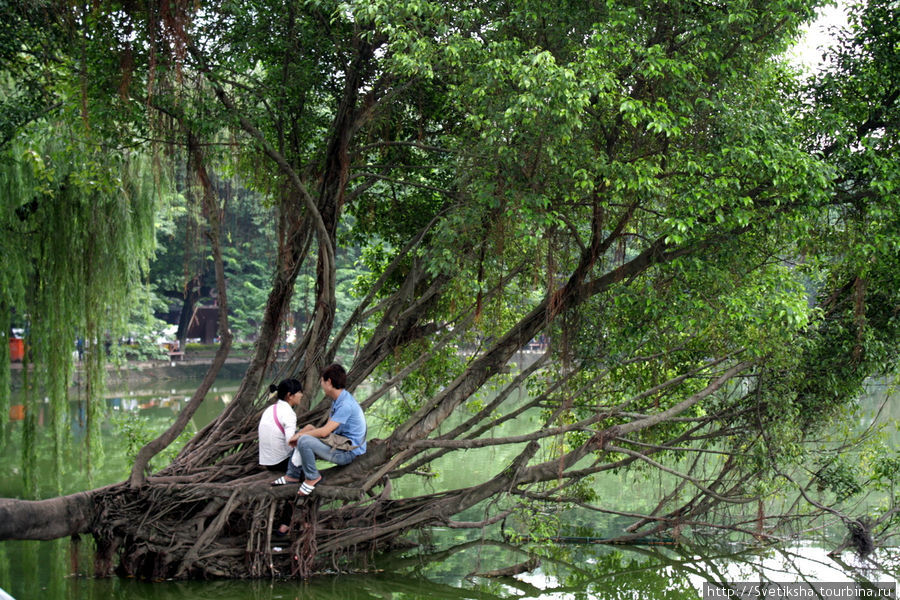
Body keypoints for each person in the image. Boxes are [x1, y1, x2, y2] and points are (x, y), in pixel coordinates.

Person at [271, 363, 367, 496]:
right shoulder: (338, 399)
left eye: (322, 380)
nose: (320, 383)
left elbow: (324, 432)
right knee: (307, 429)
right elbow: (327, 429)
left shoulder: (345, 404)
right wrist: (303, 433)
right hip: (339, 443)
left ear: (329, 382)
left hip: (349, 452)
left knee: (304, 440)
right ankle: (292, 476)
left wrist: (300, 436)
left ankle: (312, 477)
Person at [258, 378, 303, 472]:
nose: (301, 395)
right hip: (281, 463)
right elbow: (291, 442)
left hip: (268, 463)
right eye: (299, 392)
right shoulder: (289, 413)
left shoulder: (270, 408)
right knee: (309, 440)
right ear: (290, 395)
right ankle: (309, 476)